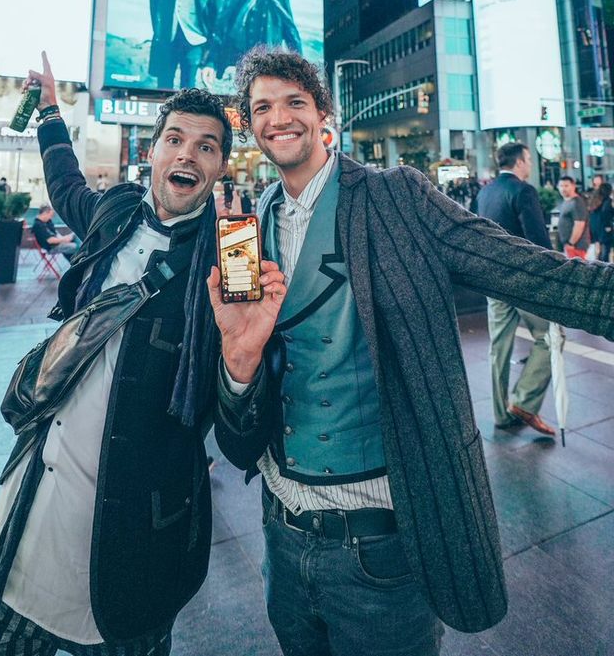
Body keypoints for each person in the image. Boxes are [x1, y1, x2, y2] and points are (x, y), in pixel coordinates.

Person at [207, 47, 614, 656]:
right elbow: (244, 392)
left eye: (295, 101)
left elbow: (518, 266)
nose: (278, 117)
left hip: (382, 541)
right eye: (262, 107)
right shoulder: (252, 220)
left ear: (324, 115)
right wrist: (236, 366)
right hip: (283, 535)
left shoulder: (397, 197)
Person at [0, 52, 280, 656]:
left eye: (207, 146)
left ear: (219, 167)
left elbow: (243, 438)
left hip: (132, 562)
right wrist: (51, 109)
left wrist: (242, 365)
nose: (188, 154)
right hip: (23, 528)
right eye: (176, 140)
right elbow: (65, 184)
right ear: (152, 152)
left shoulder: (232, 256)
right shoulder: (115, 212)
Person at [476, 142, 555, 436]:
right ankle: (524, 401)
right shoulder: (523, 191)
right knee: (550, 337)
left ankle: (500, 413)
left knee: (499, 348)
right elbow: (537, 240)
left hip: (491, 279)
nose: (531, 165)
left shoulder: (485, 192)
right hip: (523, 282)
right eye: (530, 160)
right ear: (520, 162)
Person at [557, 175, 590, 258]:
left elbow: (579, 225)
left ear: (573, 186)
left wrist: (571, 243)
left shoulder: (577, 202)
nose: (563, 189)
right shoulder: (566, 202)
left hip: (576, 246)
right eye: (561, 186)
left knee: (577, 270)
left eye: (566, 186)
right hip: (569, 246)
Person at [589, 181, 614, 262]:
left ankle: (599, 265)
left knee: (599, 249)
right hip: (604, 227)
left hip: (595, 227)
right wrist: (608, 226)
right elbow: (606, 213)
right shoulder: (608, 200)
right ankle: (604, 268)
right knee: (606, 249)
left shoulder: (596, 200)